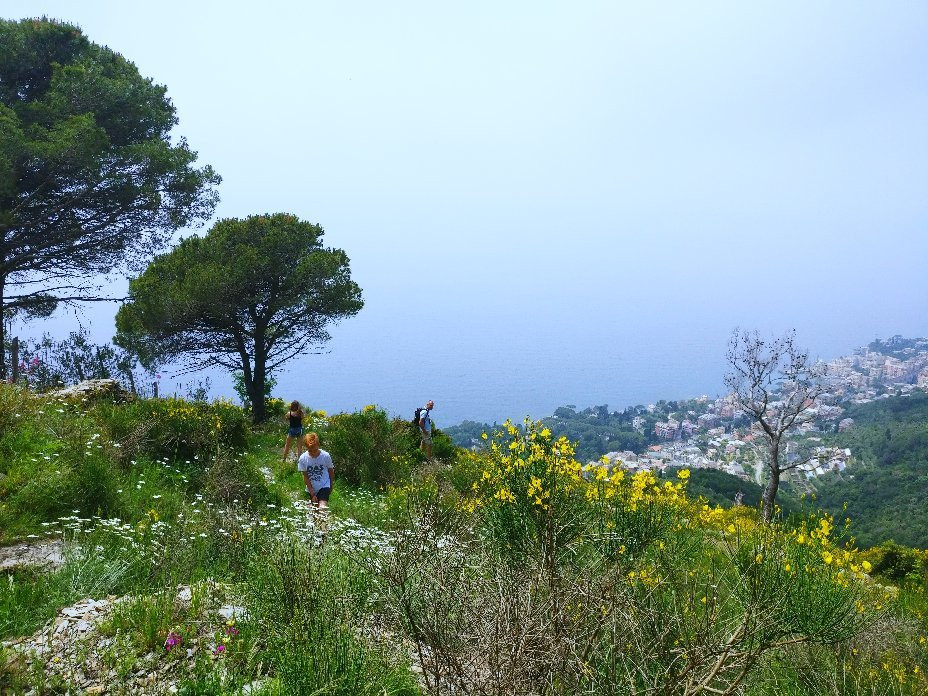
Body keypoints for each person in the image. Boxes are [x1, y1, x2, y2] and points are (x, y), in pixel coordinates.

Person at [297, 432, 335, 508]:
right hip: (312, 488)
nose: (313, 453)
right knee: (314, 509)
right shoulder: (303, 458)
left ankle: (323, 518)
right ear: (306, 448)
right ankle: (317, 519)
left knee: (322, 507)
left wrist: (331, 485)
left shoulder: (325, 456)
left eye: (315, 450)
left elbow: (331, 471)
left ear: (318, 445)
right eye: (310, 451)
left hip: (324, 485)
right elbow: (306, 477)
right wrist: (312, 493)